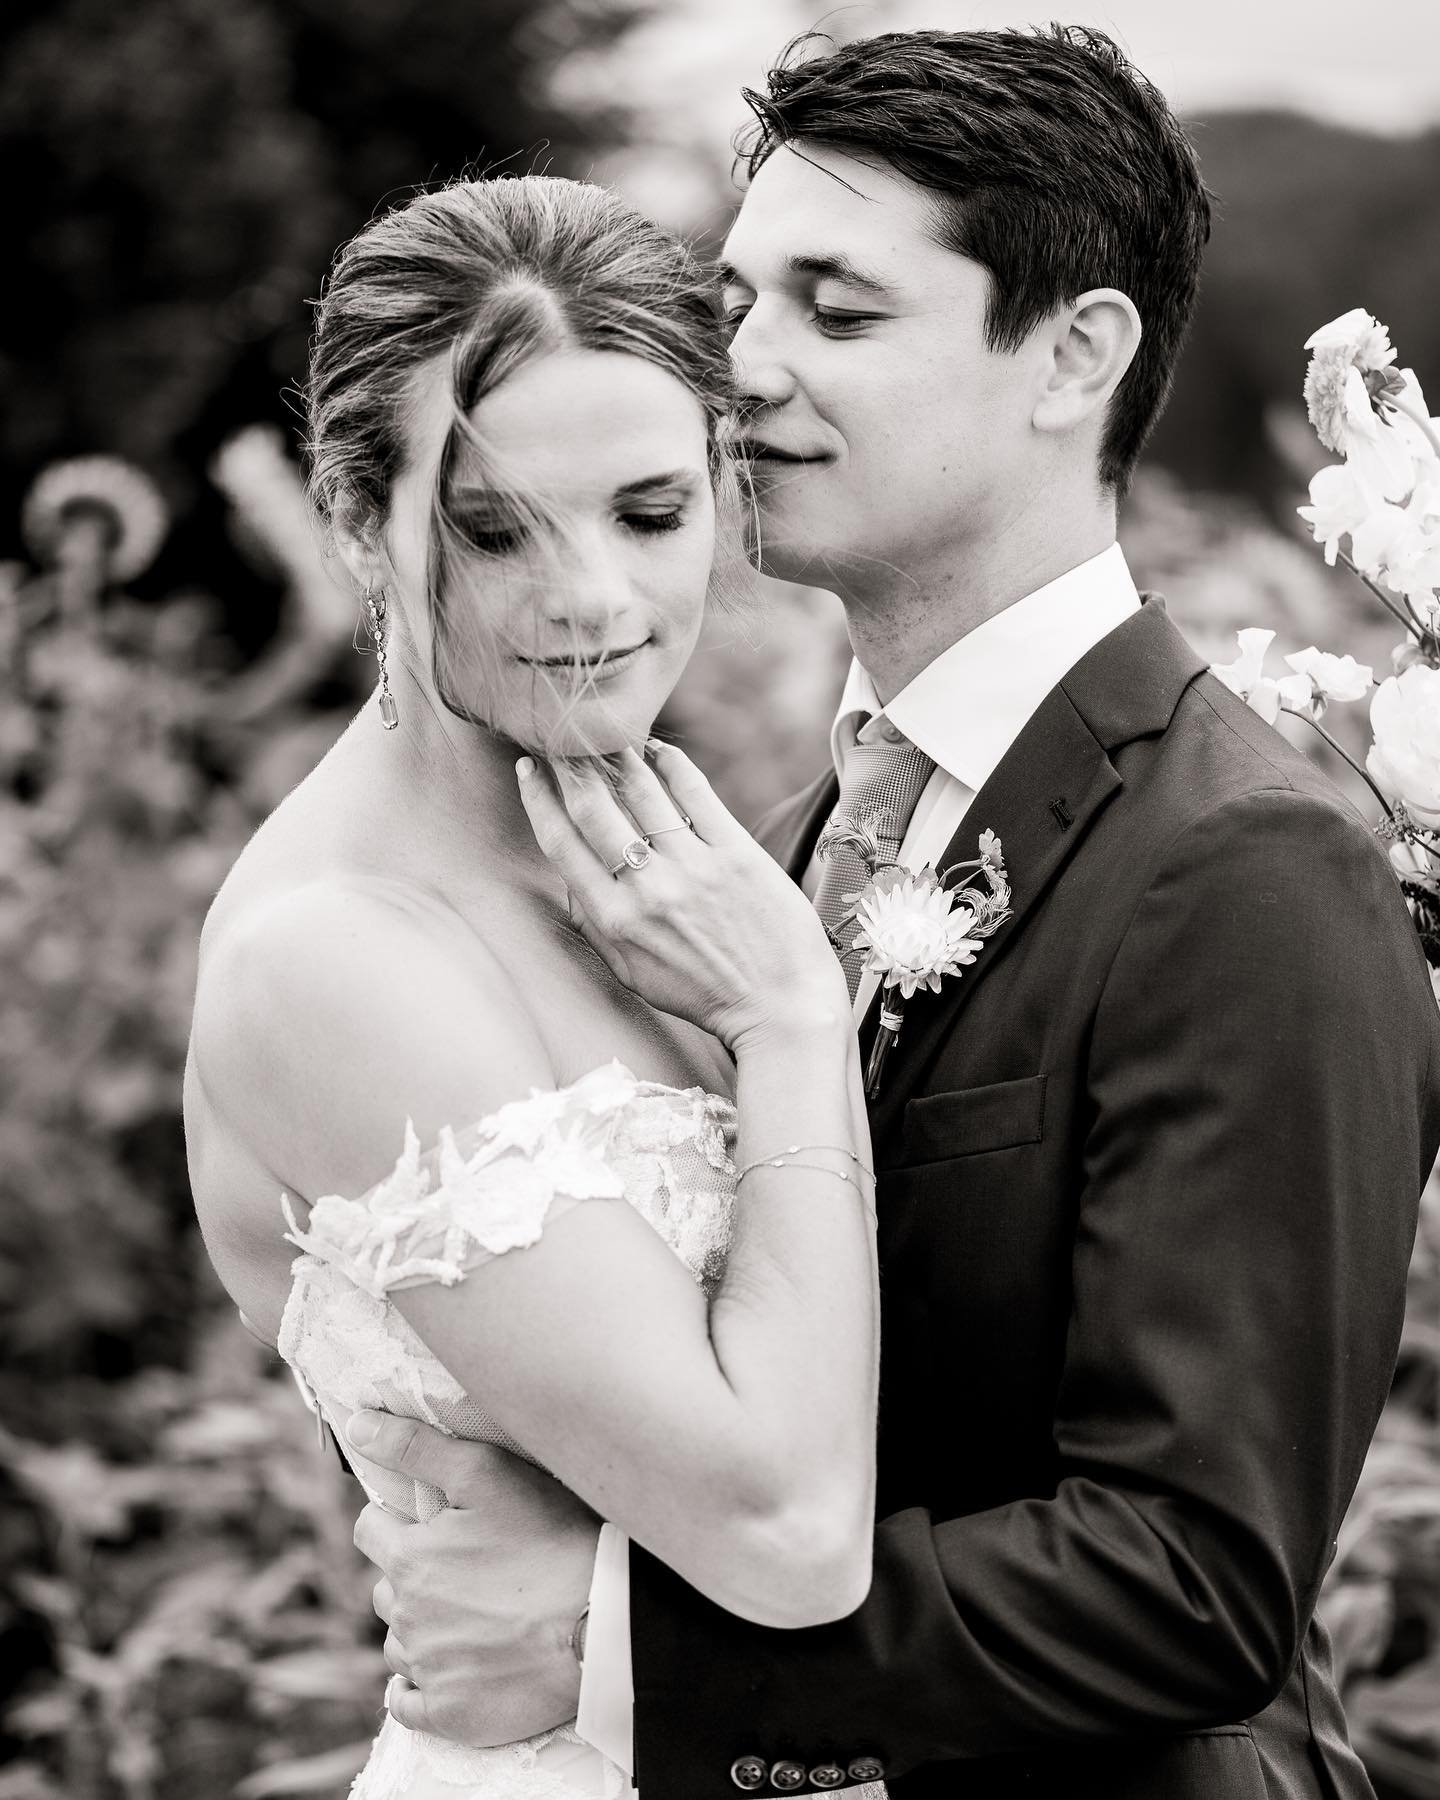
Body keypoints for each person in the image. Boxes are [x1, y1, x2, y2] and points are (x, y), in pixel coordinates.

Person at [345, 26, 1440, 1800]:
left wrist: (607, 1644)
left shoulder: (1249, 866)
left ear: (1075, 355)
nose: (741, 373)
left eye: (838, 315)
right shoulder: (788, 842)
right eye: (737, 303)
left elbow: (1202, 1578)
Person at [183, 172, 890, 1799]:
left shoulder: (645, 847)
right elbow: (782, 1538)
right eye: (491, 529)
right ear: (358, 521)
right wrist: (789, 1025)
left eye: (651, 515)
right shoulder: (334, 959)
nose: (593, 603)